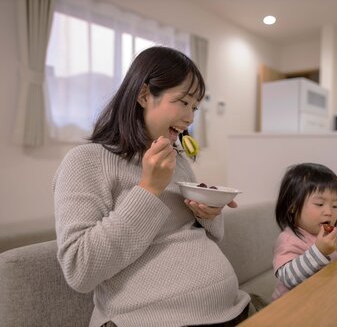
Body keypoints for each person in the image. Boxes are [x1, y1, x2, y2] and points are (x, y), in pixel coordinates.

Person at [53, 46, 250, 327]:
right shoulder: (86, 160)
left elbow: (209, 237)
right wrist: (148, 189)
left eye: (195, 107)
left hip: (232, 308)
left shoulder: (175, 158)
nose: (190, 117)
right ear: (144, 95)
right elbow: (80, 269)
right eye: (183, 102)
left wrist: (209, 215)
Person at [271, 163, 337, 301]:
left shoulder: (324, 237)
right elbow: (288, 277)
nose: (329, 212)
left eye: (335, 206)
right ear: (292, 207)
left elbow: (335, 262)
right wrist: (319, 251)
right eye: (319, 204)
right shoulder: (288, 239)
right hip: (290, 306)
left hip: (321, 299)